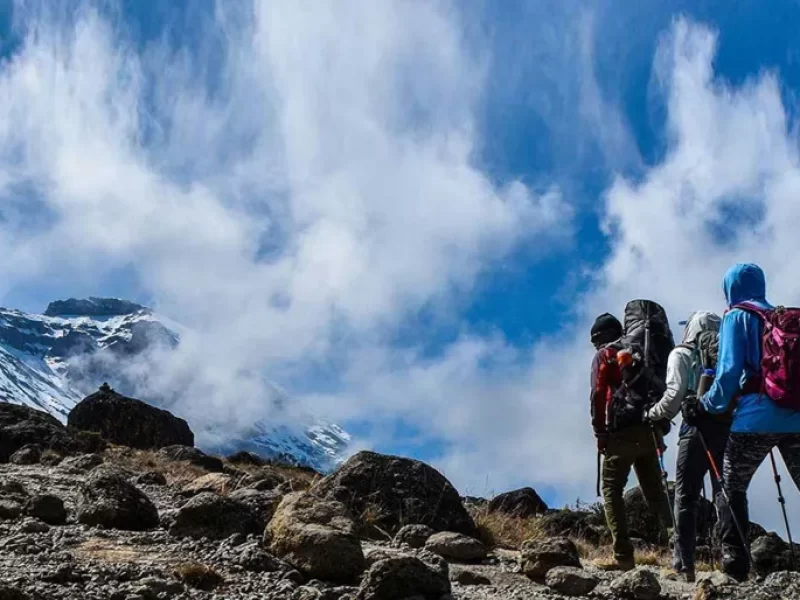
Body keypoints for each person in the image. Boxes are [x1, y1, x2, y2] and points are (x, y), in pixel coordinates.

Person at [697, 263, 800, 581]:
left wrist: (705, 406)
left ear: (731, 288)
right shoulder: (780, 316)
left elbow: (728, 374)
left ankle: (735, 563)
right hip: (796, 416)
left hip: (755, 417)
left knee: (731, 486)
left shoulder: (736, 316)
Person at [590, 312, 673, 571]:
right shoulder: (641, 353)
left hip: (621, 433)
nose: (594, 345)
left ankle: (623, 556)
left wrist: (600, 432)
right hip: (649, 429)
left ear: (601, 336)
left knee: (611, 490)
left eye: (594, 340)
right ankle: (681, 550)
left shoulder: (605, 354)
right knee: (656, 493)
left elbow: (597, 393)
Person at [646, 311, 724, 582]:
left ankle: (684, 566)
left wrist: (651, 414)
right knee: (724, 494)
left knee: (685, 496)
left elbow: (673, 396)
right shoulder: (726, 351)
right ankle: (734, 562)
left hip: (694, 427)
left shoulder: (681, 353)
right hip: (727, 426)